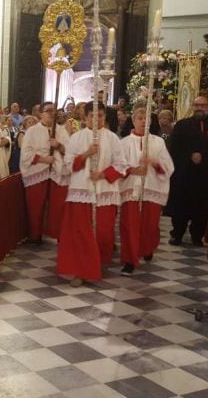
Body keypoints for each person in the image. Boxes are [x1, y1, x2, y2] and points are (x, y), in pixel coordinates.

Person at [57, 103, 127, 287]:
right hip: (81, 191)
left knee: (103, 233)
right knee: (81, 234)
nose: (97, 120)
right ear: (85, 117)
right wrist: (87, 153)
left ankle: (96, 265)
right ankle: (81, 271)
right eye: (93, 116)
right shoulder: (76, 138)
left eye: (101, 116)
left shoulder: (113, 138)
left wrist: (103, 174)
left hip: (104, 191)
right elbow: (69, 165)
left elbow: (121, 165)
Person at [167, 96, 208, 246]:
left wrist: (204, 156)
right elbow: (174, 146)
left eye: (202, 105)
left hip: (207, 174)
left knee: (203, 205)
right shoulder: (183, 125)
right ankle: (177, 233)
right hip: (185, 173)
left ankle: (197, 235)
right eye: (196, 105)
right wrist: (190, 154)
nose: (199, 108)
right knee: (181, 204)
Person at [119, 108, 174, 276]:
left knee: (150, 225)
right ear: (134, 121)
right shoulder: (124, 142)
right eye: (140, 118)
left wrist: (154, 162)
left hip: (151, 188)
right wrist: (132, 170)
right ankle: (129, 260)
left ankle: (147, 247)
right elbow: (118, 165)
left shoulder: (157, 142)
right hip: (131, 189)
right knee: (129, 225)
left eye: (146, 119)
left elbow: (168, 167)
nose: (143, 121)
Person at [19, 103, 70, 243]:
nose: (52, 114)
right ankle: (35, 235)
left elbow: (70, 152)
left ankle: (56, 233)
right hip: (38, 172)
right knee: (36, 205)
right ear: (40, 113)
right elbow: (26, 154)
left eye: (54, 111)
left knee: (58, 205)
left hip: (57, 172)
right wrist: (43, 159)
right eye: (48, 111)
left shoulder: (61, 130)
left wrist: (58, 146)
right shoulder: (32, 131)